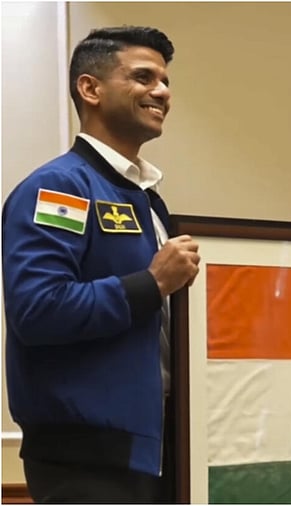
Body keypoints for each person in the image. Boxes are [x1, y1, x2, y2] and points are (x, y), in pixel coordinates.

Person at [2, 26, 200, 503]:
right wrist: (152, 284)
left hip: (164, 445)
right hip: (86, 458)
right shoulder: (58, 189)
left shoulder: (147, 199)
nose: (162, 92)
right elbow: (39, 309)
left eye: (165, 80)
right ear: (90, 88)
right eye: (143, 77)